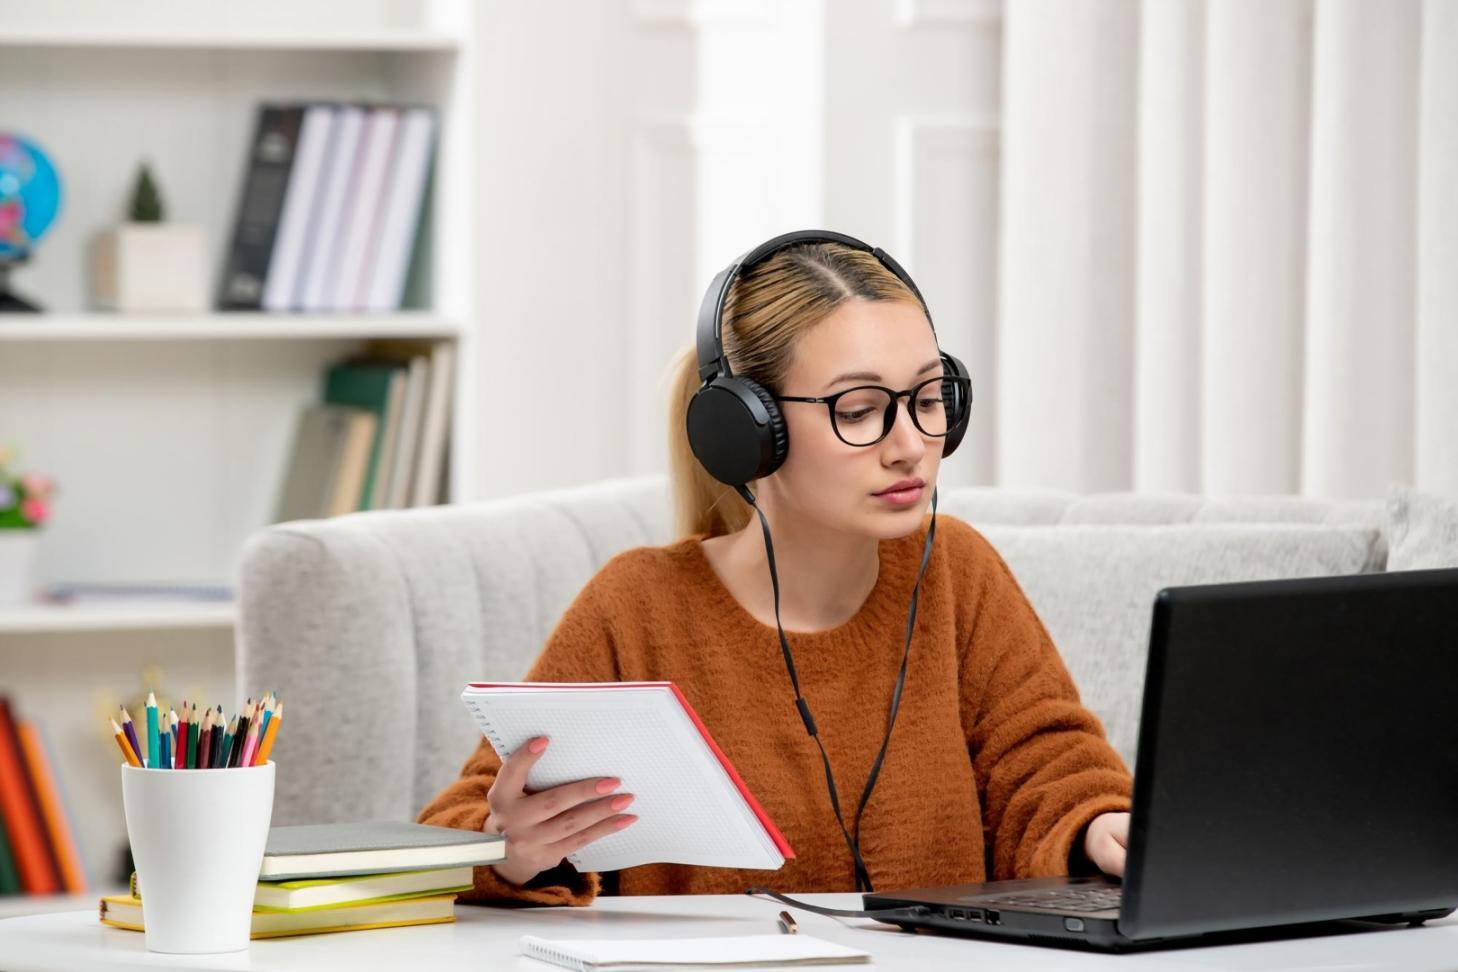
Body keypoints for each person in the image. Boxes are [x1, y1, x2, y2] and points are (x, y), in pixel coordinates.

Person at [418, 233, 1133, 907]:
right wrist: (510, 852)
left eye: (925, 400)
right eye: (860, 410)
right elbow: (456, 829)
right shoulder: (638, 607)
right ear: (748, 430)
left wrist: (1099, 824)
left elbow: (1047, 765)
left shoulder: (956, 571)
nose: (910, 446)